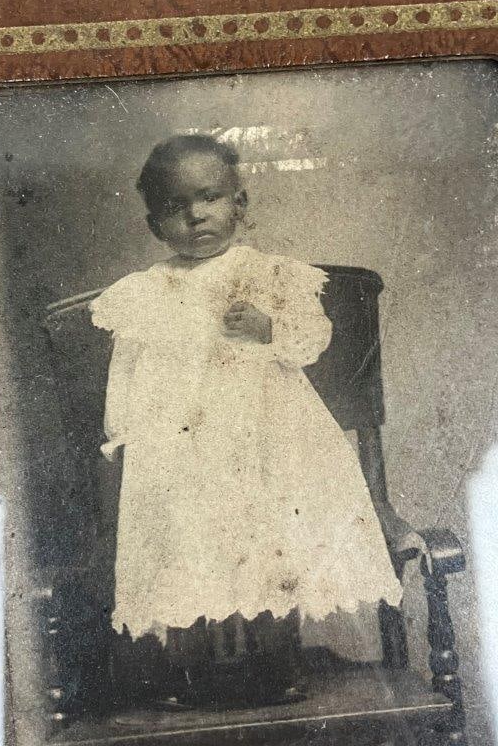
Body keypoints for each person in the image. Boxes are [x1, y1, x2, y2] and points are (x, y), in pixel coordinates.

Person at [90, 134, 403, 706]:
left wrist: (268, 329)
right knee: (185, 548)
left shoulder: (272, 276)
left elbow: (312, 341)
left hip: (264, 443)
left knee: (267, 544)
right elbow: (127, 368)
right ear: (155, 224)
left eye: (208, 197)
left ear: (240, 202)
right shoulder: (143, 294)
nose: (194, 214)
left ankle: (276, 662)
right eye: (174, 207)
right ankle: (185, 673)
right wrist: (125, 435)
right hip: (180, 451)